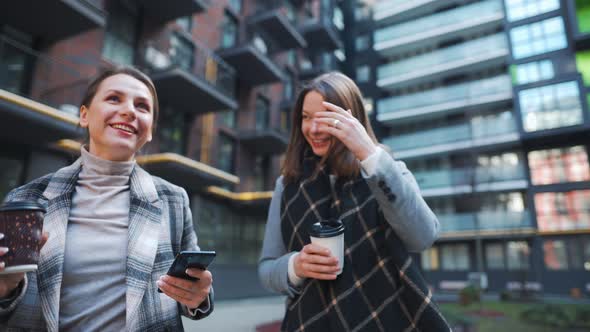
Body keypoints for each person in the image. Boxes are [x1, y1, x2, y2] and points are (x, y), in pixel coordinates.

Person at [0, 67, 213, 331]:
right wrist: (5, 291)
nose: (129, 111)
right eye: (114, 98)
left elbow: (194, 288)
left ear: (149, 132)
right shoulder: (25, 199)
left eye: (142, 106)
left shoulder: (174, 199)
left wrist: (198, 297)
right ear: (84, 115)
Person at [258, 72, 450, 331]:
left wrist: (369, 153)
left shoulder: (387, 171)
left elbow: (423, 237)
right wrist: (296, 265)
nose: (313, 129)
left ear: (351, 119)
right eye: (306, 118)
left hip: (385, 321)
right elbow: (267, 268)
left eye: (324, 118)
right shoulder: (287, 185)